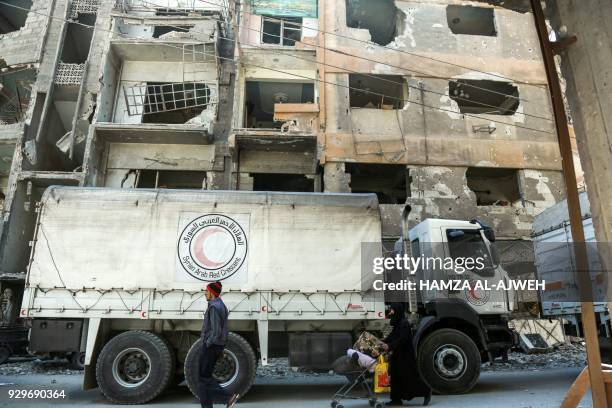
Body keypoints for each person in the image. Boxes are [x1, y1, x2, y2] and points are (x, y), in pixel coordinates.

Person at [198, 281, 239, 408]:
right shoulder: (220, 305)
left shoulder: (214, 307)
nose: (205, 293)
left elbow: (216, 331)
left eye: (206, 291)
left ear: (212, 292)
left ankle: (228, 398)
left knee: (204, 378)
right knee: (204, 379)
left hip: (211, 346)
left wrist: (207, 343)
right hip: (216, 346)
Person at [382, 303, 432, 406]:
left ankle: (426, 392)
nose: (390, 312)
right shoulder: (398, 323)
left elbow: (402, 340)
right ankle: (396, 399)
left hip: (405, 356)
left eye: (392, 310)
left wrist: (389, 346)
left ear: (398, 311)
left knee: (408, 377)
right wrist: (383, 341)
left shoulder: (404, 323)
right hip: (398, 355)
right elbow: (393, 336)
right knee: (396, 377)